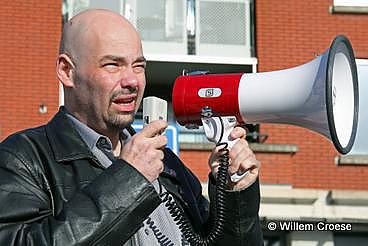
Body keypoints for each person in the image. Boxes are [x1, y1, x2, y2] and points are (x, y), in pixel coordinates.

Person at [0, 9, 263, 245]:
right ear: (67, 71)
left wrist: (234, 196)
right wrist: (129, 180)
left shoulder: (167, 166)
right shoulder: (23, 158)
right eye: (112, 65)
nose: (132, 81)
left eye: (139, 66)